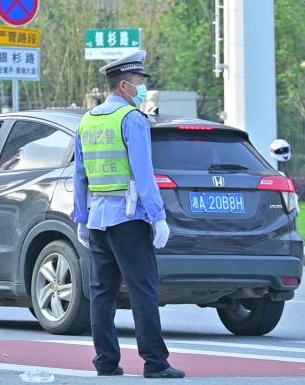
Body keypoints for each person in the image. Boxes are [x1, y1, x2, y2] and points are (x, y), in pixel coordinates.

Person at [73, 50, 185, 379]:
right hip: (129, 218)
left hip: (97, 220)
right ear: (123, 85)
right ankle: (155, 362)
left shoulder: (88, 120)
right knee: (143, 290)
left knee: (102, 293)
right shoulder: (131, 119)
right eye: (139, 83)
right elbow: (144, 174)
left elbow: (80, 174)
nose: (142, 89)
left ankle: (106, 361)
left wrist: (81, 216)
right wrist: (158, 217)